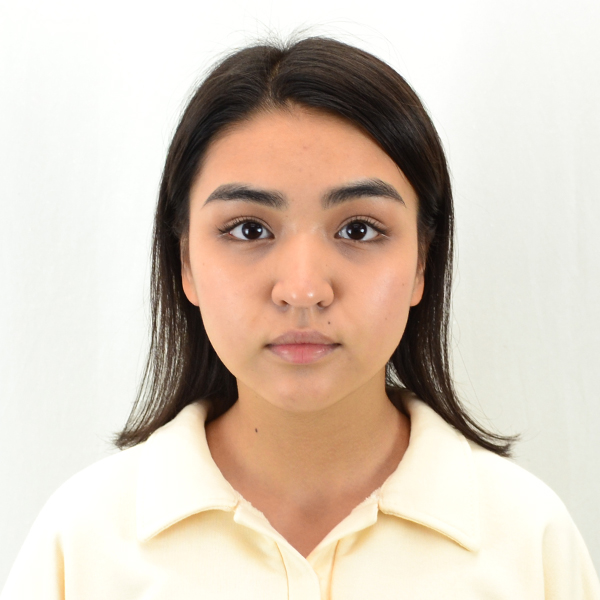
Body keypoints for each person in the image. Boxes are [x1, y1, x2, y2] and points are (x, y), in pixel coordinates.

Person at [1, 35, 598, 600]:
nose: (304, 290)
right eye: (248, 229)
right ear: (185, 263)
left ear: (422, 261)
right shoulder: (82, 545)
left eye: (358, 230)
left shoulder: (529, 540)